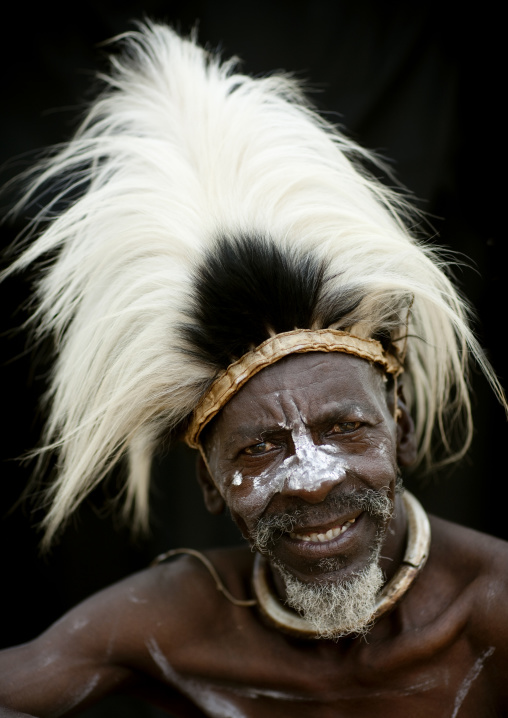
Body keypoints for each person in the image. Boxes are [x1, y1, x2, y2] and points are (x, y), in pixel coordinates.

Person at [1, 22, 507, 717]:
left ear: (403, 429)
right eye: (257, 448)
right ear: (210, 483)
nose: (312, 478)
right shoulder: (170, 627)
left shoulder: (495, 608)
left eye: (345, 426)